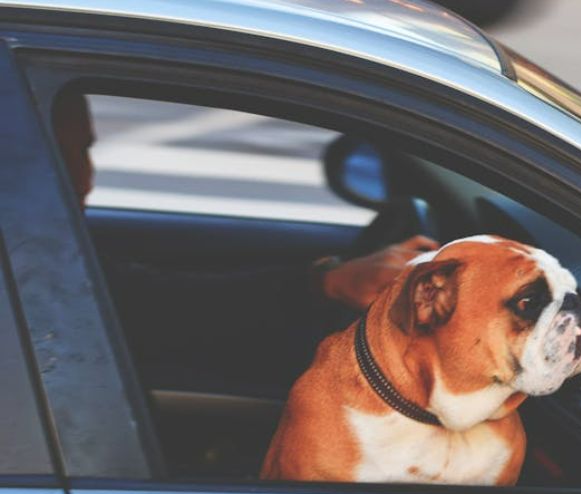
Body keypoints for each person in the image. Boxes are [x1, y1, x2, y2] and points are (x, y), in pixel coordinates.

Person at [52, 92, 436, 390]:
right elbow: (159, 310)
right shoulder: (33, 271)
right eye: (56, 155)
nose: (84, 180)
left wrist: (328, 281)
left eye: (85, 151)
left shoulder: (44, 264)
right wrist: (329, 283)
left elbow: (145, 299)